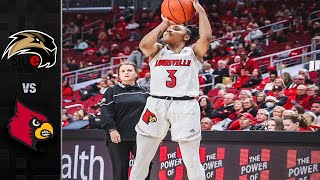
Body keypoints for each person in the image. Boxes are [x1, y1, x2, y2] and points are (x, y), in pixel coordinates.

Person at [130, 0, 211, 179]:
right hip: (156, 103)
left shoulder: (193, 52)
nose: (169, 31)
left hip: (185, 106)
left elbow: (205, 38)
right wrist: (165, 23)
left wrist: (201, 12)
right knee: (141, 158)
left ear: (186, 37)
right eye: (168, 30)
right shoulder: (158, 50)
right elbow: (143, 45)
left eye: (176, 29)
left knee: (191, 160)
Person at [100, 62, 151, 180]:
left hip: (141, 137)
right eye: (122, 71)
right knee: (120, 169)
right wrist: (112, 129)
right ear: (118, 75)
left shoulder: (145, 91)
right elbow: (106, 112)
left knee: (144, 169)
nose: (126, 73)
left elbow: (152, 114)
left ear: (136, 73)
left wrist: (155, 134)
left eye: (129, 70)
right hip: (118, 137)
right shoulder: (111, 91)